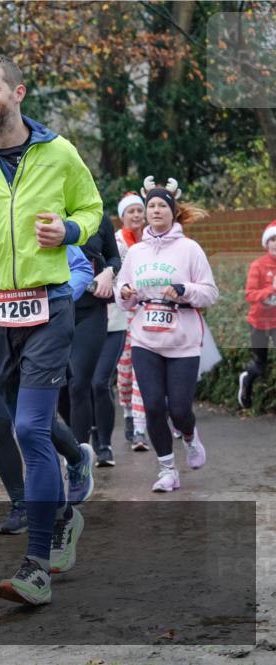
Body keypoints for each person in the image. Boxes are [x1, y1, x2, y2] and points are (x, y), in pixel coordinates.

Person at [0, 55, 102, 605]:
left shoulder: (58, 152)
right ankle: (74, 466)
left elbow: (92, 207)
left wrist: (72, 229)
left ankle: (36, 563)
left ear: (18, 92)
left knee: (30, 428)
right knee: (8, 420)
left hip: (49, 305)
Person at [0, 245, 95, 535]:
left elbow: (80, 269)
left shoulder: (39, 219)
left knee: (31, 426)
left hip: (42, 326)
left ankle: (64, 486)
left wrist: (62, 298)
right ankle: (21, 504)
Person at [116, 177, 218, 492]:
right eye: (152, 206)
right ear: (146, 213)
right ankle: (167, 469)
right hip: (146, 337)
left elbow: (210, 293)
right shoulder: (136, 253)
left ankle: (188, 435)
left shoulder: (190, 249)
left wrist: (184, 290)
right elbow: (121, 292)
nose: (156, 210)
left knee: (179, 409)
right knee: (154, 407)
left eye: (162, 205)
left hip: (183, 340)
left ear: (172, 212)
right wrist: (127, 291)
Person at [58, 211, 120, 464]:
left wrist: (109, 271)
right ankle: (82, 433)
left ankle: (80, 454)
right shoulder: (44, 215)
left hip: (91, 310)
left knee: (80, 382)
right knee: (60, 385)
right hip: (56, 311)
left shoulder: (98, 218)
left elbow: (113, 255)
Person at [114, 192, 150, 451]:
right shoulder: (117, 243)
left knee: (141, 371)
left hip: (148, 316)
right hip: (121, 316)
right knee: (125, 374)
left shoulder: (153, 241)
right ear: (123, 216)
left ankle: (140, 428)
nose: (137, 215)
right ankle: (127, 410)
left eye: (140, 210)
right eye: (131, 212)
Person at [238, 220, 276, 409]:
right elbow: (250, 295)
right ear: (267, 243)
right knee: (260, 364)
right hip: (259, 322)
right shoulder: (258, 266)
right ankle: (246, 381)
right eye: (273, 240)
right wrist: (271, 289)